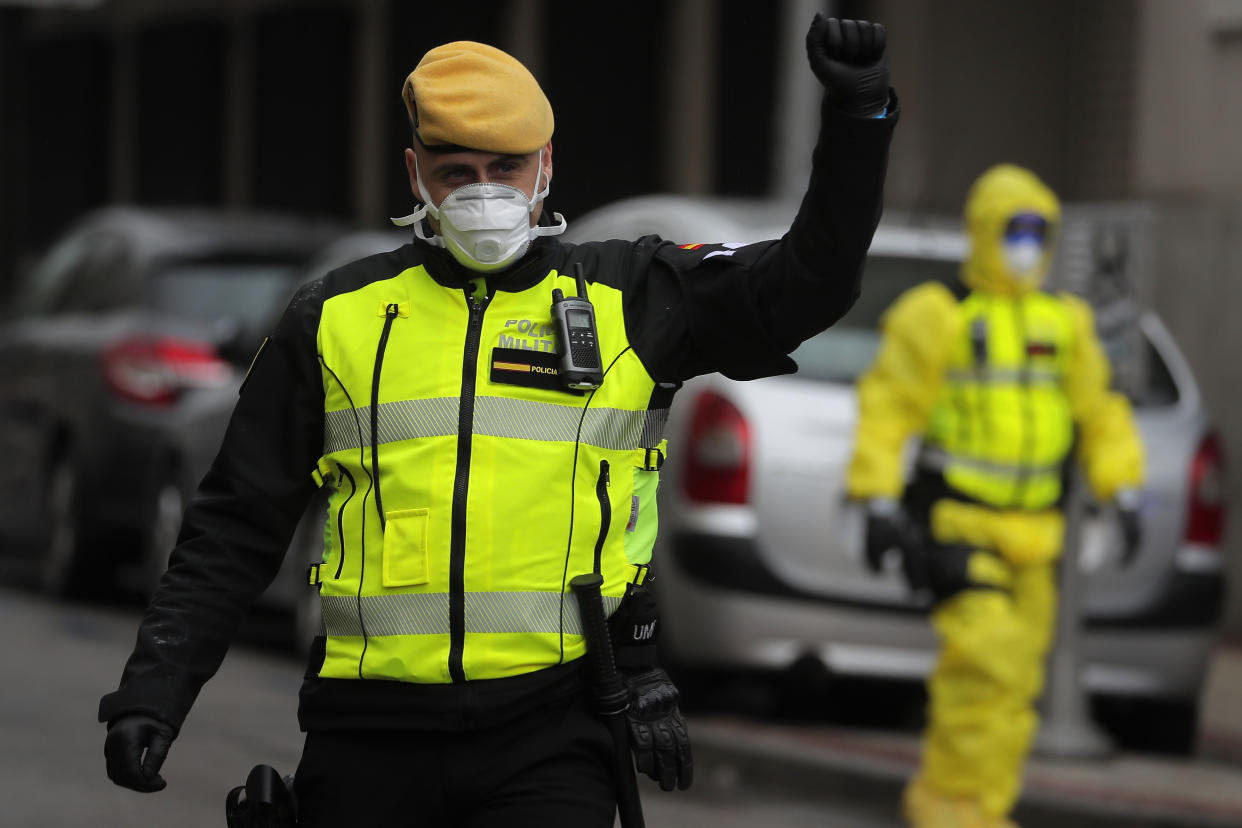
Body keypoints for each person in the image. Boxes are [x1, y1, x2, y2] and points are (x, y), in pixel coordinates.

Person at [101, 17, 898, 827]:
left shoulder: (632, 299)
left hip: (550, 735)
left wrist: (858, 122)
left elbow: (812, 283)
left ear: (546, 166)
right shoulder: (334, 316)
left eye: (506, 168)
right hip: (367, 734)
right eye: (457, 172)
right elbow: (234, 524)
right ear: (416, 176)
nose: (484, 193)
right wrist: (157, 690)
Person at [846, 163, 1145, 828]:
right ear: (985, 231)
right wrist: (875, 498)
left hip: (1037, 538)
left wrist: (1121, 486)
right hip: (961, 526)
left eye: (1040, 231)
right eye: (1016, 229)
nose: (1027, 243)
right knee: (983, 667)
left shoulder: (1064, 322)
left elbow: (1100, 414)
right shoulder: (939, 315)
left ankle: (980, 809)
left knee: (1014, 690)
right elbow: (888, 409)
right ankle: (949, 811)